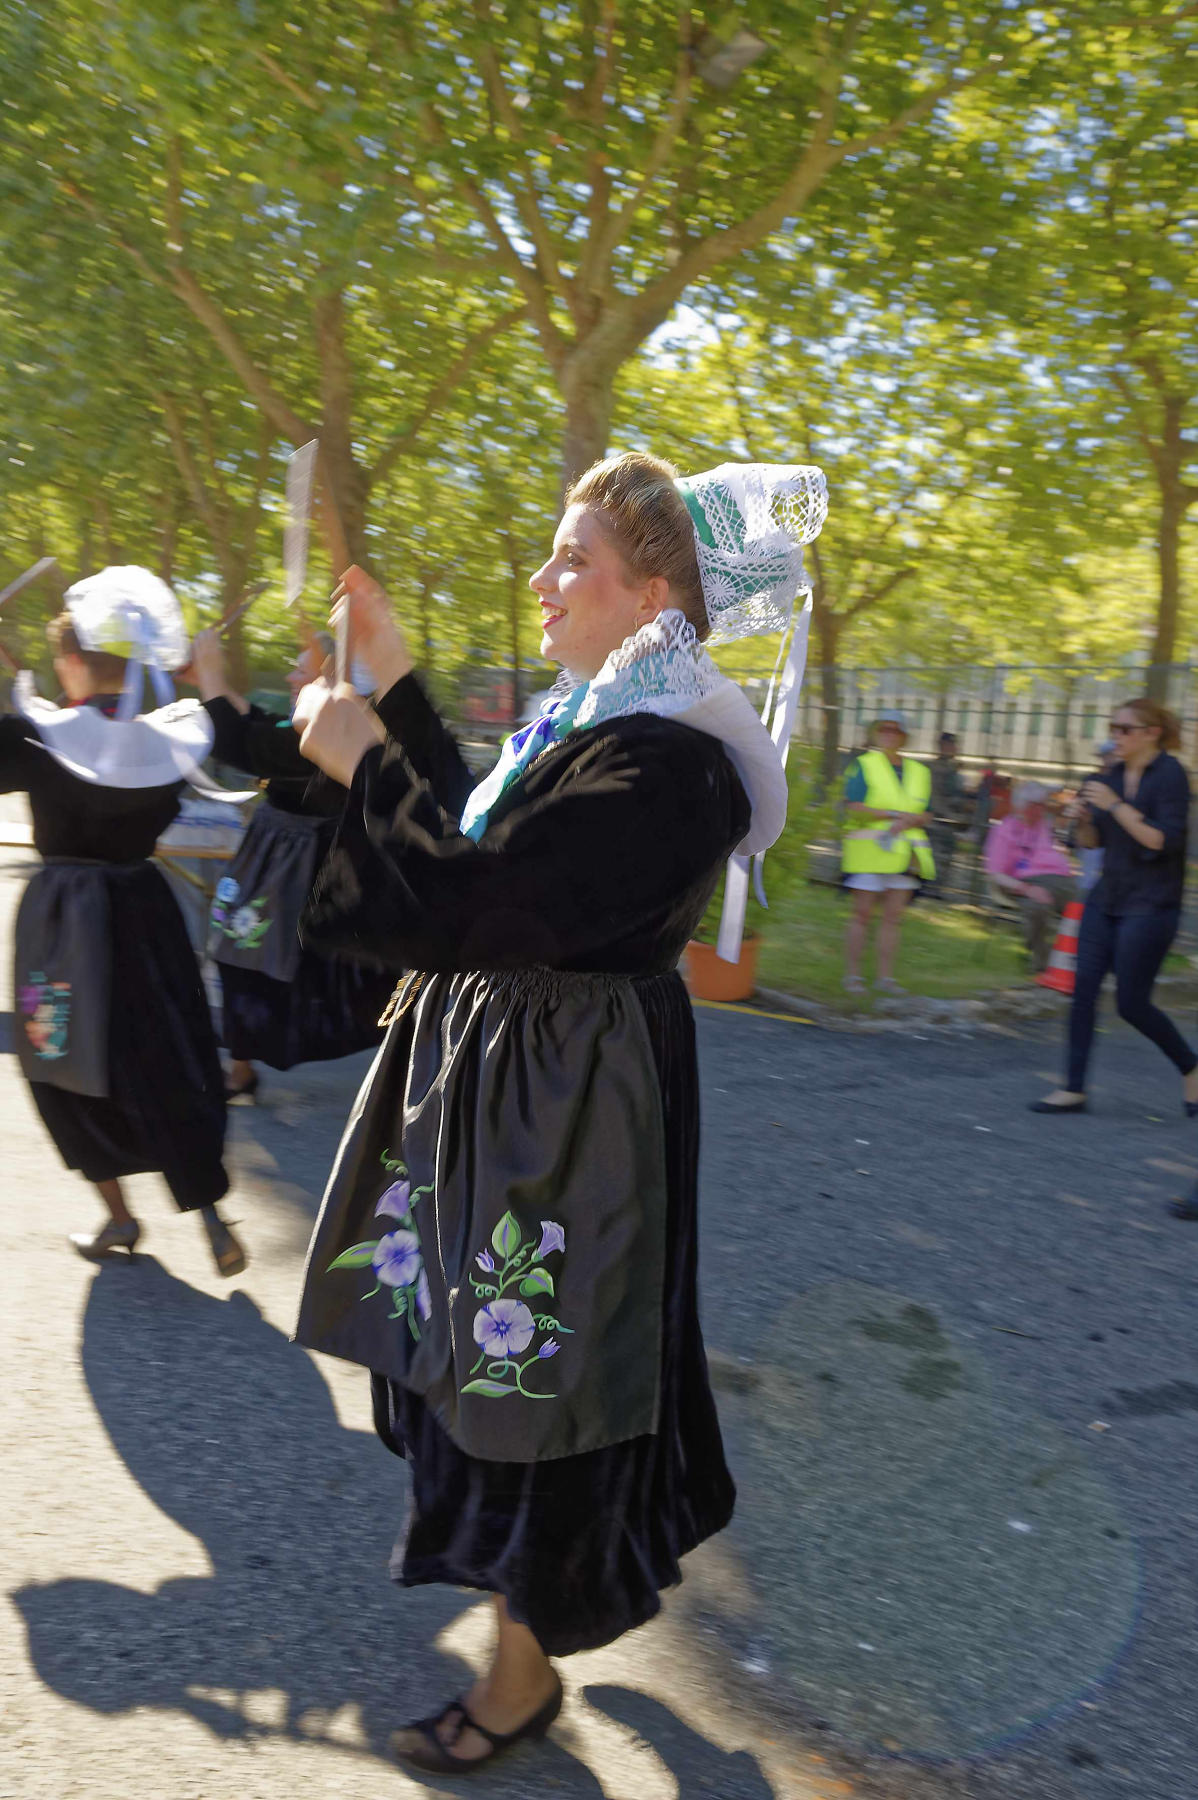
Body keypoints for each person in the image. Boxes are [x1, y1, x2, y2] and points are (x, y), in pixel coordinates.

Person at [288, 454, 827, 1773]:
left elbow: (480, 905)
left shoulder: (674, 765)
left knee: (535, 1384)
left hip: (571, 1117)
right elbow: (488, 846)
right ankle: (513, 1636)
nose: (541, 578)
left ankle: (521, 1678)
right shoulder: (599, 726)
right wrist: (401, 682)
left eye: (570, 557)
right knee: (476, 1363)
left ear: (655, 593)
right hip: (511, 1085)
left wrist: (366, 764)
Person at [1, 568, 245, 1273]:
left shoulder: (40, 736)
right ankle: (211, 1214)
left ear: (75, 661)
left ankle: (117, 1216)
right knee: (166, 1057)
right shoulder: (166, 740)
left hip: (61, 929)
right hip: (143, 915)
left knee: (58, 1060)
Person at [188, 628, 395, 1100]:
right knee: (241, 955)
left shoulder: (332, 733)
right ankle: (242, 1066)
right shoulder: (327, 723)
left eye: (301, 671)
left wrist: (213, 675)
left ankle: (398, 1068)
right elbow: (263, 725)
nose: (288, 675)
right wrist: (215, 685)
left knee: (266, 961)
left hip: (300, 867)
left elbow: (242, 744)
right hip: (282, 861)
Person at [1030, 698, 1198, 1135]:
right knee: (1082, 990)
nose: (1116, 736)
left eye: (1124, 729)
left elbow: (1163, 840)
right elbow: (1091, 842)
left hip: (1152, 902)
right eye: (1113, 728)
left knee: (1131, 1003)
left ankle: (1191, 1067)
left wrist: (1115, 804)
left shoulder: (1171, 775)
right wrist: (1083, 819)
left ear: (1151, 733)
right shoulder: (1108, 776)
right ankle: (1073, 1087)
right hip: (1107, 897)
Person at [840, 709, 935, 996]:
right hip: (870, 852)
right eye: (884, 729)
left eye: (895, 730)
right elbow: (852, 805)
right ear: (876, 732)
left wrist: (914, 819)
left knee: (893, 918)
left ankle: (885, 979)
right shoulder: (863, 765)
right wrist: (893, 814)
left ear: (904, 736)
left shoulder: (921, 772)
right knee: (862, 915)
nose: (889, 734)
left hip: (904, 853)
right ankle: (853, 977)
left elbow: (927, 812)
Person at [985, 780, 1077, 972]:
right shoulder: (1004, 831)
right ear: (1023, 806)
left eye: (1043, 805)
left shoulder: (1042, 824)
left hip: (1054, 880)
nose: (1043, 809)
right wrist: (1027, 889)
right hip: (1017, 883)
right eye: (1038, 805)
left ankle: (1079, 959)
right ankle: (1042, 961)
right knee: (1038, 907)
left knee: (1084, 903)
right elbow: (996, 875)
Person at [927, 730, 970, 894]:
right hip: (939, 820)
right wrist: (952, 816)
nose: (953, 748)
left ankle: (936, 889)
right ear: (942, 746)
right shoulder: (936, 768)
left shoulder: (953, 769)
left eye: (954, 745)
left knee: (946, 857)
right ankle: (931, 890)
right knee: (937, 856)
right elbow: (935, 797)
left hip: (949, 821)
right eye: (949, 745)